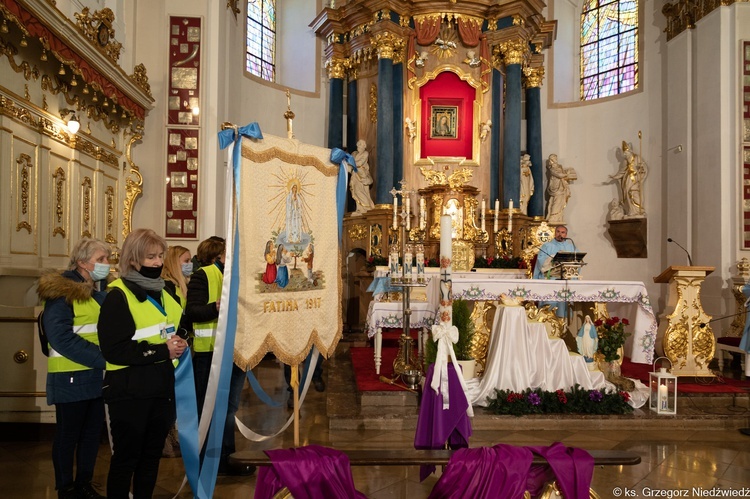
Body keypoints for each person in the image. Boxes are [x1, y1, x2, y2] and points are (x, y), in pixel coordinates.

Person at [98, 229, 188, 498]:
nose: (158, 262)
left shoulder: (166, 291)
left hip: (161, 389)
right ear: (134, 259)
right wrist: (163, 350)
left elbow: (178, 326)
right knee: (127, 459)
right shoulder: (118, 295)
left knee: (151, 458)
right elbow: (114, 350)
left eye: (160, 256)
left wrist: (181, 340)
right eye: (150, 257)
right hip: (129, 391)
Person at [37, 237, 110, 499]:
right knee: (69, 435)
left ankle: (84, 484)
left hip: (93, 374)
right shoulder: (61, 291)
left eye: (107, 259)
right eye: (100, 259)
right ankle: (66, 487)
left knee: (92, 434)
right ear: (82, 262)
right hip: (69, 375)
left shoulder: (97, 291)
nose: (106, 264)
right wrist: (104, 359)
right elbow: (61, 337)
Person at [186, 236, 255, 476]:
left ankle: (228, 459)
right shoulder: (203, 275)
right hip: (210, 354)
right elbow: (192, 311)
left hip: (236, 351)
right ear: (221, 255)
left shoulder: (237, 277)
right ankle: (209, 461)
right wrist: (215, 307)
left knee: (228, 409)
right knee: (210, 408)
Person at [160, 245, 193, 458]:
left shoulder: (181, 286)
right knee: (166, 397)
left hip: (179, 344)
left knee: (172, 397)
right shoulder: (166, 287)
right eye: (186, 260)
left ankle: (172, 436)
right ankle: (164, 440)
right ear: (173, 262)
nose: (189, 265)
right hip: (168, 346)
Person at [533, 225, 576, 318]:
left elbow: (577, 262)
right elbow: (541, 261)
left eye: (562, 232)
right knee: (550, 304)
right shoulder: (547, 246)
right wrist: (552, 259)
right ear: (555, 233)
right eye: (558, 231)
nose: (560, 234)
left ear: (566, 234)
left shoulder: (571, 246)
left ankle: (564, 325)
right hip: (551, 277)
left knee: (565, 301)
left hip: (566, 279)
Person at [611, 141, 648, 218]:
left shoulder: (637, 158)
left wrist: (640, 170)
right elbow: (622, 172)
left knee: (634, 193)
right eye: (624, 153)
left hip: (635, 179)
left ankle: (638, 211)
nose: (625, 155)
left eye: (626, 153)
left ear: (630, 151)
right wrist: (615, 177)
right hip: (627, 180)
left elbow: (644, 168)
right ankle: (631, 211)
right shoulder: (625, 162)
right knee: (628, 194)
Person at [546, 154, 576, 224]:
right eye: (554, 158)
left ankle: (558, 217)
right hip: (556, 187)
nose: (555, 160)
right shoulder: (552, 169)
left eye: (556, 158)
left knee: (561, 202)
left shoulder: (560, 166)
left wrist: (567, 173)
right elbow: (559, 175)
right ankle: (553, 216)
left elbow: (562, 173)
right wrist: (567, 174)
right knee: (556, 202)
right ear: (551, 160)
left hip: (562, 186)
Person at [349, 139, 375, 215]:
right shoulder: (354, 153)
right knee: (355, 191)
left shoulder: (365, 153)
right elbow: (349, 161)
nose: (359, 146)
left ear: (364, 146)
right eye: (358, 144)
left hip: (362, 175)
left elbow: (360, 163)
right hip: (355, 175)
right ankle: (359, 209)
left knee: (361, 191)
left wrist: (351, 163)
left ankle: (367, 207)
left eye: (361, 144)